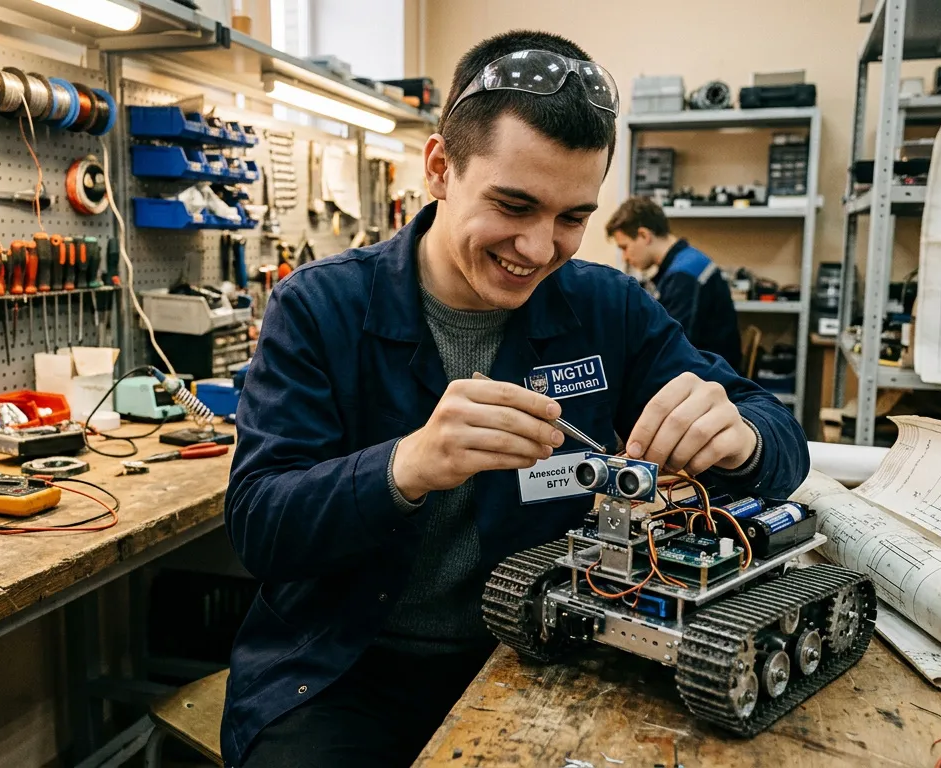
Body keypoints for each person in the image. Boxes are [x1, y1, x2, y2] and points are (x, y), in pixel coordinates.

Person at [222, 30, 809, 768]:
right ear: (440, 167)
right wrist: (405, 466)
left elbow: (779, 435)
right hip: (341, 674)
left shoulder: (608, 310)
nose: (538, 248)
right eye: (513, 204)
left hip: (537, 652)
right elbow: (258, 526)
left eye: (572, 217)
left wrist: (743, 437)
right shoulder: (317, 307)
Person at [606, 197, 744, 370]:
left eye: (624, 247)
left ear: (644, 235)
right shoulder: (684, 262)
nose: (625, 257)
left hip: (711, 376)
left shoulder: (684, 275)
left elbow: (671, 346)